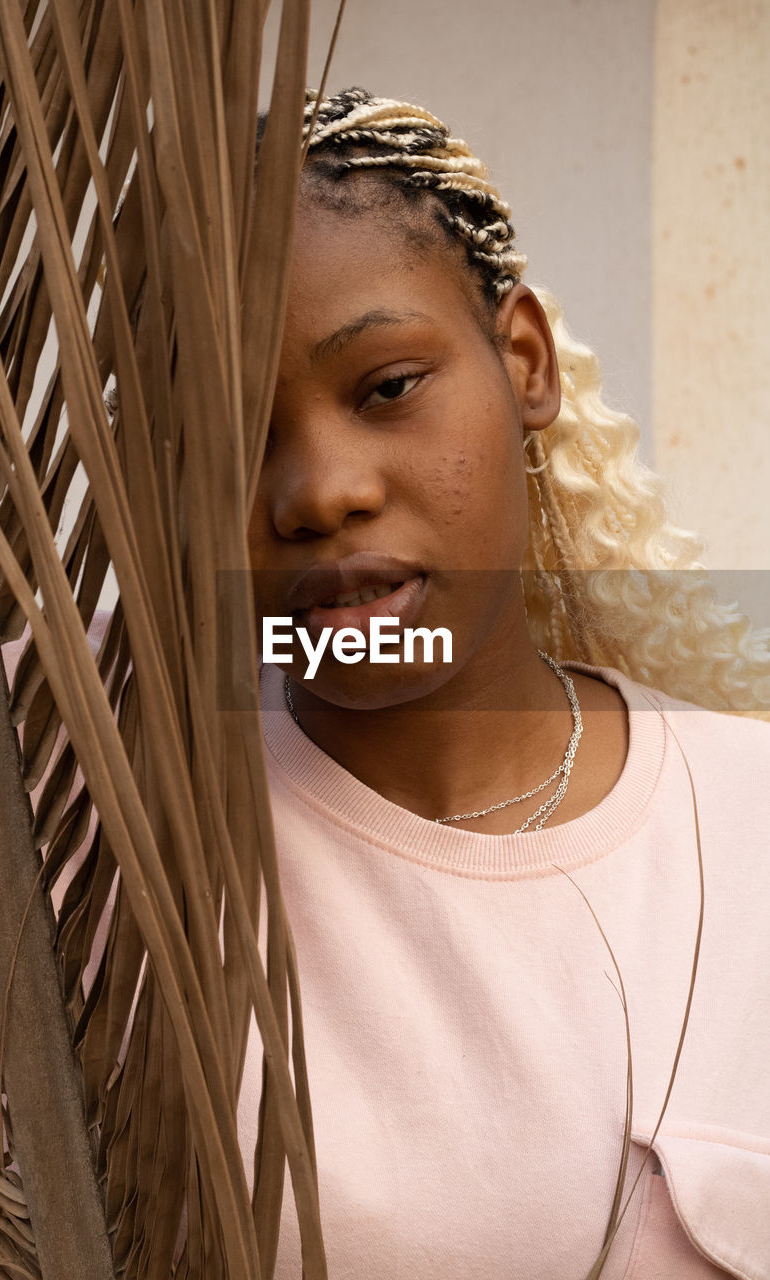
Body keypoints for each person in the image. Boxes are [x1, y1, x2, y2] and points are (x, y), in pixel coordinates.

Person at [239, 88, 770, 1278]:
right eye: (227, 433)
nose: (318, 492)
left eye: (386, 386)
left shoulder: (753, 827)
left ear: (520, 357)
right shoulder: (109, 849)